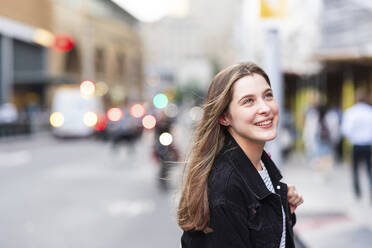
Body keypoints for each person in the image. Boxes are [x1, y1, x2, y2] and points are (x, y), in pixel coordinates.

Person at [178, 62, 304, 248]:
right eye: (248, 101)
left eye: (268, 96)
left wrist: (283, 211)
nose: (265, 108)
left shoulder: (261, 164)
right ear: (224, 117)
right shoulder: (226, 187)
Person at [341, 88, 372, 200]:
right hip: (368, 145)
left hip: (356, 145)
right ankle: (370, 189)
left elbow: (346, 130)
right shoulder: (370, 111)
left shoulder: (351, 112)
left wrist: (352, 138)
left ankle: (357, 192)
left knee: (355, 170)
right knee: (369, 169)